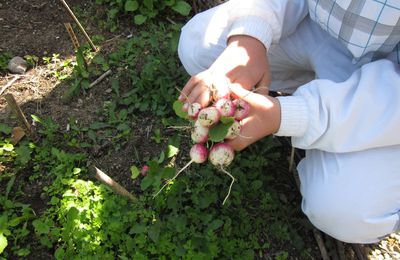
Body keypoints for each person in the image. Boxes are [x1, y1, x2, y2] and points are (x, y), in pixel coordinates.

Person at [177, 0, 400, 244]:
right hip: (313, 24)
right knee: (197, 44)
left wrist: (293, 114)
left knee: (345, 210)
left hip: (386, 80)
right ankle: (312, 83)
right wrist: (250, 37)